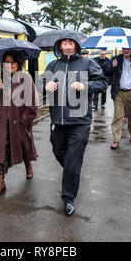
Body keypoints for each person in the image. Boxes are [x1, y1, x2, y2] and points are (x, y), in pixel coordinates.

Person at [43, 33, 107, 216]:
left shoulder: (88, 64)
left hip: (80, 121)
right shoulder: (53, 65)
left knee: (72, 160)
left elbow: (102, 83)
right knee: (57, 151)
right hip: (58, 120)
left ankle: (68, 198)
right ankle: (73, 171)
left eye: (71, 40)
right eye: (64, 41)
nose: (67, 42)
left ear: (77, 46)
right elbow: (41, 83)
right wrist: (46, 85)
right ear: (60, 46)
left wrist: (84, 85)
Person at [0, 51, 39, 198]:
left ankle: (28, 165)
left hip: (20, 123)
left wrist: (24, 120)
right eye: (7, 62)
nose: (10, 65)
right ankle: (0, 182)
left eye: (13, 62)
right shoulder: (0, 77)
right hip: (2, 123)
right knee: (0, 152)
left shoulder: (26, 78)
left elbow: (33, 103)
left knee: (24, 148)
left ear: (19, 63)